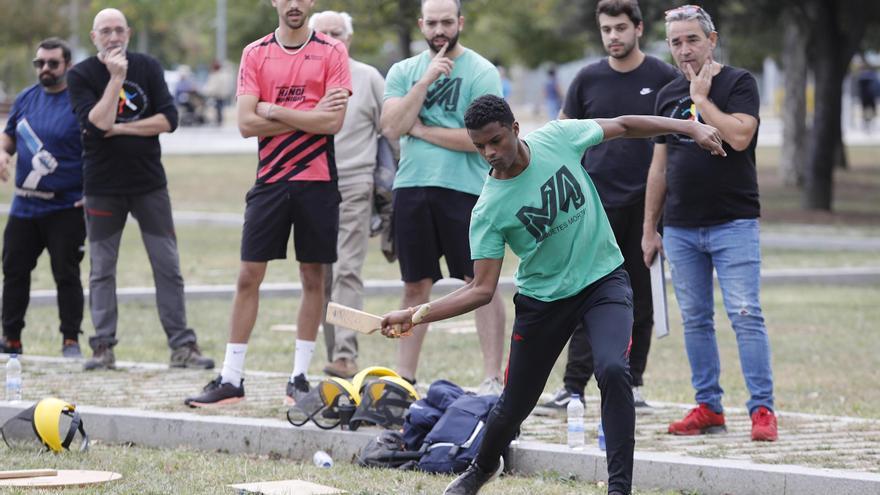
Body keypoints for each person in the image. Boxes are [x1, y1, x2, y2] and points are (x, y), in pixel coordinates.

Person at [381, 95, 724, 495]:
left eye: (495, 141)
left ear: (515, 128)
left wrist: (690, 127)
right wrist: (416, 314)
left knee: (613, 369)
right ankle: (481, 468)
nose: (490, 153)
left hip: (603, 280)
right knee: (513, 405)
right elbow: (480, 289)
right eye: (480, 146)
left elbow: (625, 124)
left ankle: (619, 489)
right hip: (543, 301)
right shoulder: (489, 209)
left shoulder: (558, 138)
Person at [184, 0, 351, 407]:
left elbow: (332, 123)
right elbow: (245, 124)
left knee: (314, 278)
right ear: (274, 2)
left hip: (318, 181)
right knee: (247, 275)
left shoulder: (333, 51)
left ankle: (298, 378)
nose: (293, 4)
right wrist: (306, 113)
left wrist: (273, 108)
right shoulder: (255, 52)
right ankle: (231, 377)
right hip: (270, 181)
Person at [641, 4, 778, 442]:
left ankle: (762, 411)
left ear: (711, 40)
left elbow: (739, 136)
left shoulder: (738, 83)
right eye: (676, 41)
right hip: (681, 227)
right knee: (696, 320)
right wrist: (650, 228)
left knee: (745, 314)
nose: (684, 50)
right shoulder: (666, 95)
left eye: (692, 39)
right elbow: (659, 167)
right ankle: (708, 407)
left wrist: (701, 101)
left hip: (733, 223)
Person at [543, 0, 678, 411]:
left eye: (620, 28)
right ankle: (573, 387)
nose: (613, 36)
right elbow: (563, 138)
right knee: (587, 294)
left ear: (638, 28)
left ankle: (633, 384)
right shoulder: (587, 79)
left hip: (645, 206)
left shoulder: (662, 76)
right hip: (593, 205)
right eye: (606, 29)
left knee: (640, 297)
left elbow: (674, 142)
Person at [67, 8, 214, 371]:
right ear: (93, 37)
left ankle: (182, 346)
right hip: (102, 187)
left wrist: (120, 129)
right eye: (106, 31)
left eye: (119, 30)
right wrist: (116, 78)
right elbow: (97, 122)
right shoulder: (81, 75)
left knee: (168, 266)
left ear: (128, 33)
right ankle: (103, 346)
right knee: (102, 269)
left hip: (150, 185)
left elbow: (170, 119)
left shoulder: (148, 66)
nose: (113, 37)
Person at [380, 0, 507, 394]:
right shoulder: (404, 71)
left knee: (478, 282)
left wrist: (420, 131)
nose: (440, 29)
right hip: (412, 187)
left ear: (460, 23)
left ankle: (490, 378)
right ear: (421, 24)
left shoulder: (481, 71)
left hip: (466, 191)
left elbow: (481, 140)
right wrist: (425, 82)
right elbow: (390, 126)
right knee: (415, 285)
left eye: (447, 22)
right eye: (432, 22)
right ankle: (405, 379)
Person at [309, 10, 386, 379]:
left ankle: (345, 354)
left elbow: (389, 132)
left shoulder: (368, 77)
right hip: (310, 183)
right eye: (321, 34)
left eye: (336, 33)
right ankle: (333, 353)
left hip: (355, 181)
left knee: (347, 270)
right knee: (319, 274)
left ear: (349, 38)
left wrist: (390, 188)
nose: (329, 40)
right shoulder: (304, 75)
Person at [0, 38, 86, 358]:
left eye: (52, 63)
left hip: (65, 205)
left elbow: (96, 151)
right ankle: (11, 339)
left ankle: (70, 340)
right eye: (40, 63)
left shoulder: (79, 102)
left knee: (66, 274)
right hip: (24, 206)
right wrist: (2, 153)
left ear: (67, 65)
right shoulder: (26, 98)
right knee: (14, 271)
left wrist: (90, 192)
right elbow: (9, 135)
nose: (45, 69)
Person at [201, 60, 235, 126]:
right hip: (221, 94)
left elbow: (214, 86)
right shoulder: (223, 74)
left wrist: (207, 92)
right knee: (219, 108)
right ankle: (219, 120)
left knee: (218, 108)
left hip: (217, 94)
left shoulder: (215, 75)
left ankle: (219, 120)